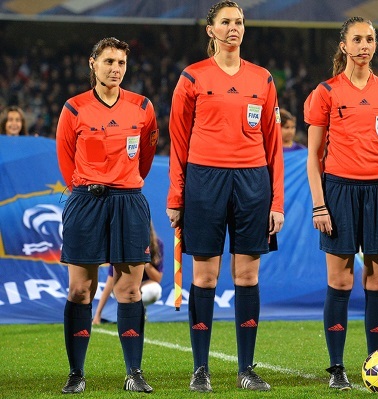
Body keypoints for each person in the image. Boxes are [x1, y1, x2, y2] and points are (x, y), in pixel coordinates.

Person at [166, 1, 284, 393]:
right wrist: (176, 195)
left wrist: (277, 202)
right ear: (210, 30)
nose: (234, 28)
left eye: (239, 22)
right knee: (205, 276)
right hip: (204, 181)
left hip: (253, 183)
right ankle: (201, 368)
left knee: (247, 275)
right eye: (226, 22)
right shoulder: (192, 77)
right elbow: (178, 141)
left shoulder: (263, 79)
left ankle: (246, 368)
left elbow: (274, 146)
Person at [304, 16, 378, 391]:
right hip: (339, 191)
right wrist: (320, 205)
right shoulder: (326, 91)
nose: (364, 46)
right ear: (344, 46)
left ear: (375, 45)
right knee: (340, 280)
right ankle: (336, 368)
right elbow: (314, 156)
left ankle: (377, 363)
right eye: (357, 40)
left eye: (370, 40)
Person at [56, 37, 158, 394]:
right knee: (81, 289)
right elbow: (66, 160)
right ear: (93, 64)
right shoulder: (73, 108)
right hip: (86, 201)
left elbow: (146, 157)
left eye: (121, 63)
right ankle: (76, 373)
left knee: (130, 291)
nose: (116, 69)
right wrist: (91, 186)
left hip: (129, 202)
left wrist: (123, 184)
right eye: (109, 62)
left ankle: (134, 371)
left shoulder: (143, 107)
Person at [93, 223, 164, 325]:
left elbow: (158, 279)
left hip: (143, 287)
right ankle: (130, 313)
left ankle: (139, 311)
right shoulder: (121, 244)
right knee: (124, 290)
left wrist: (144, 261)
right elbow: (110, 282)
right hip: (123, 286)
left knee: (154, 290)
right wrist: (97, 314)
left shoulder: (156, 244)